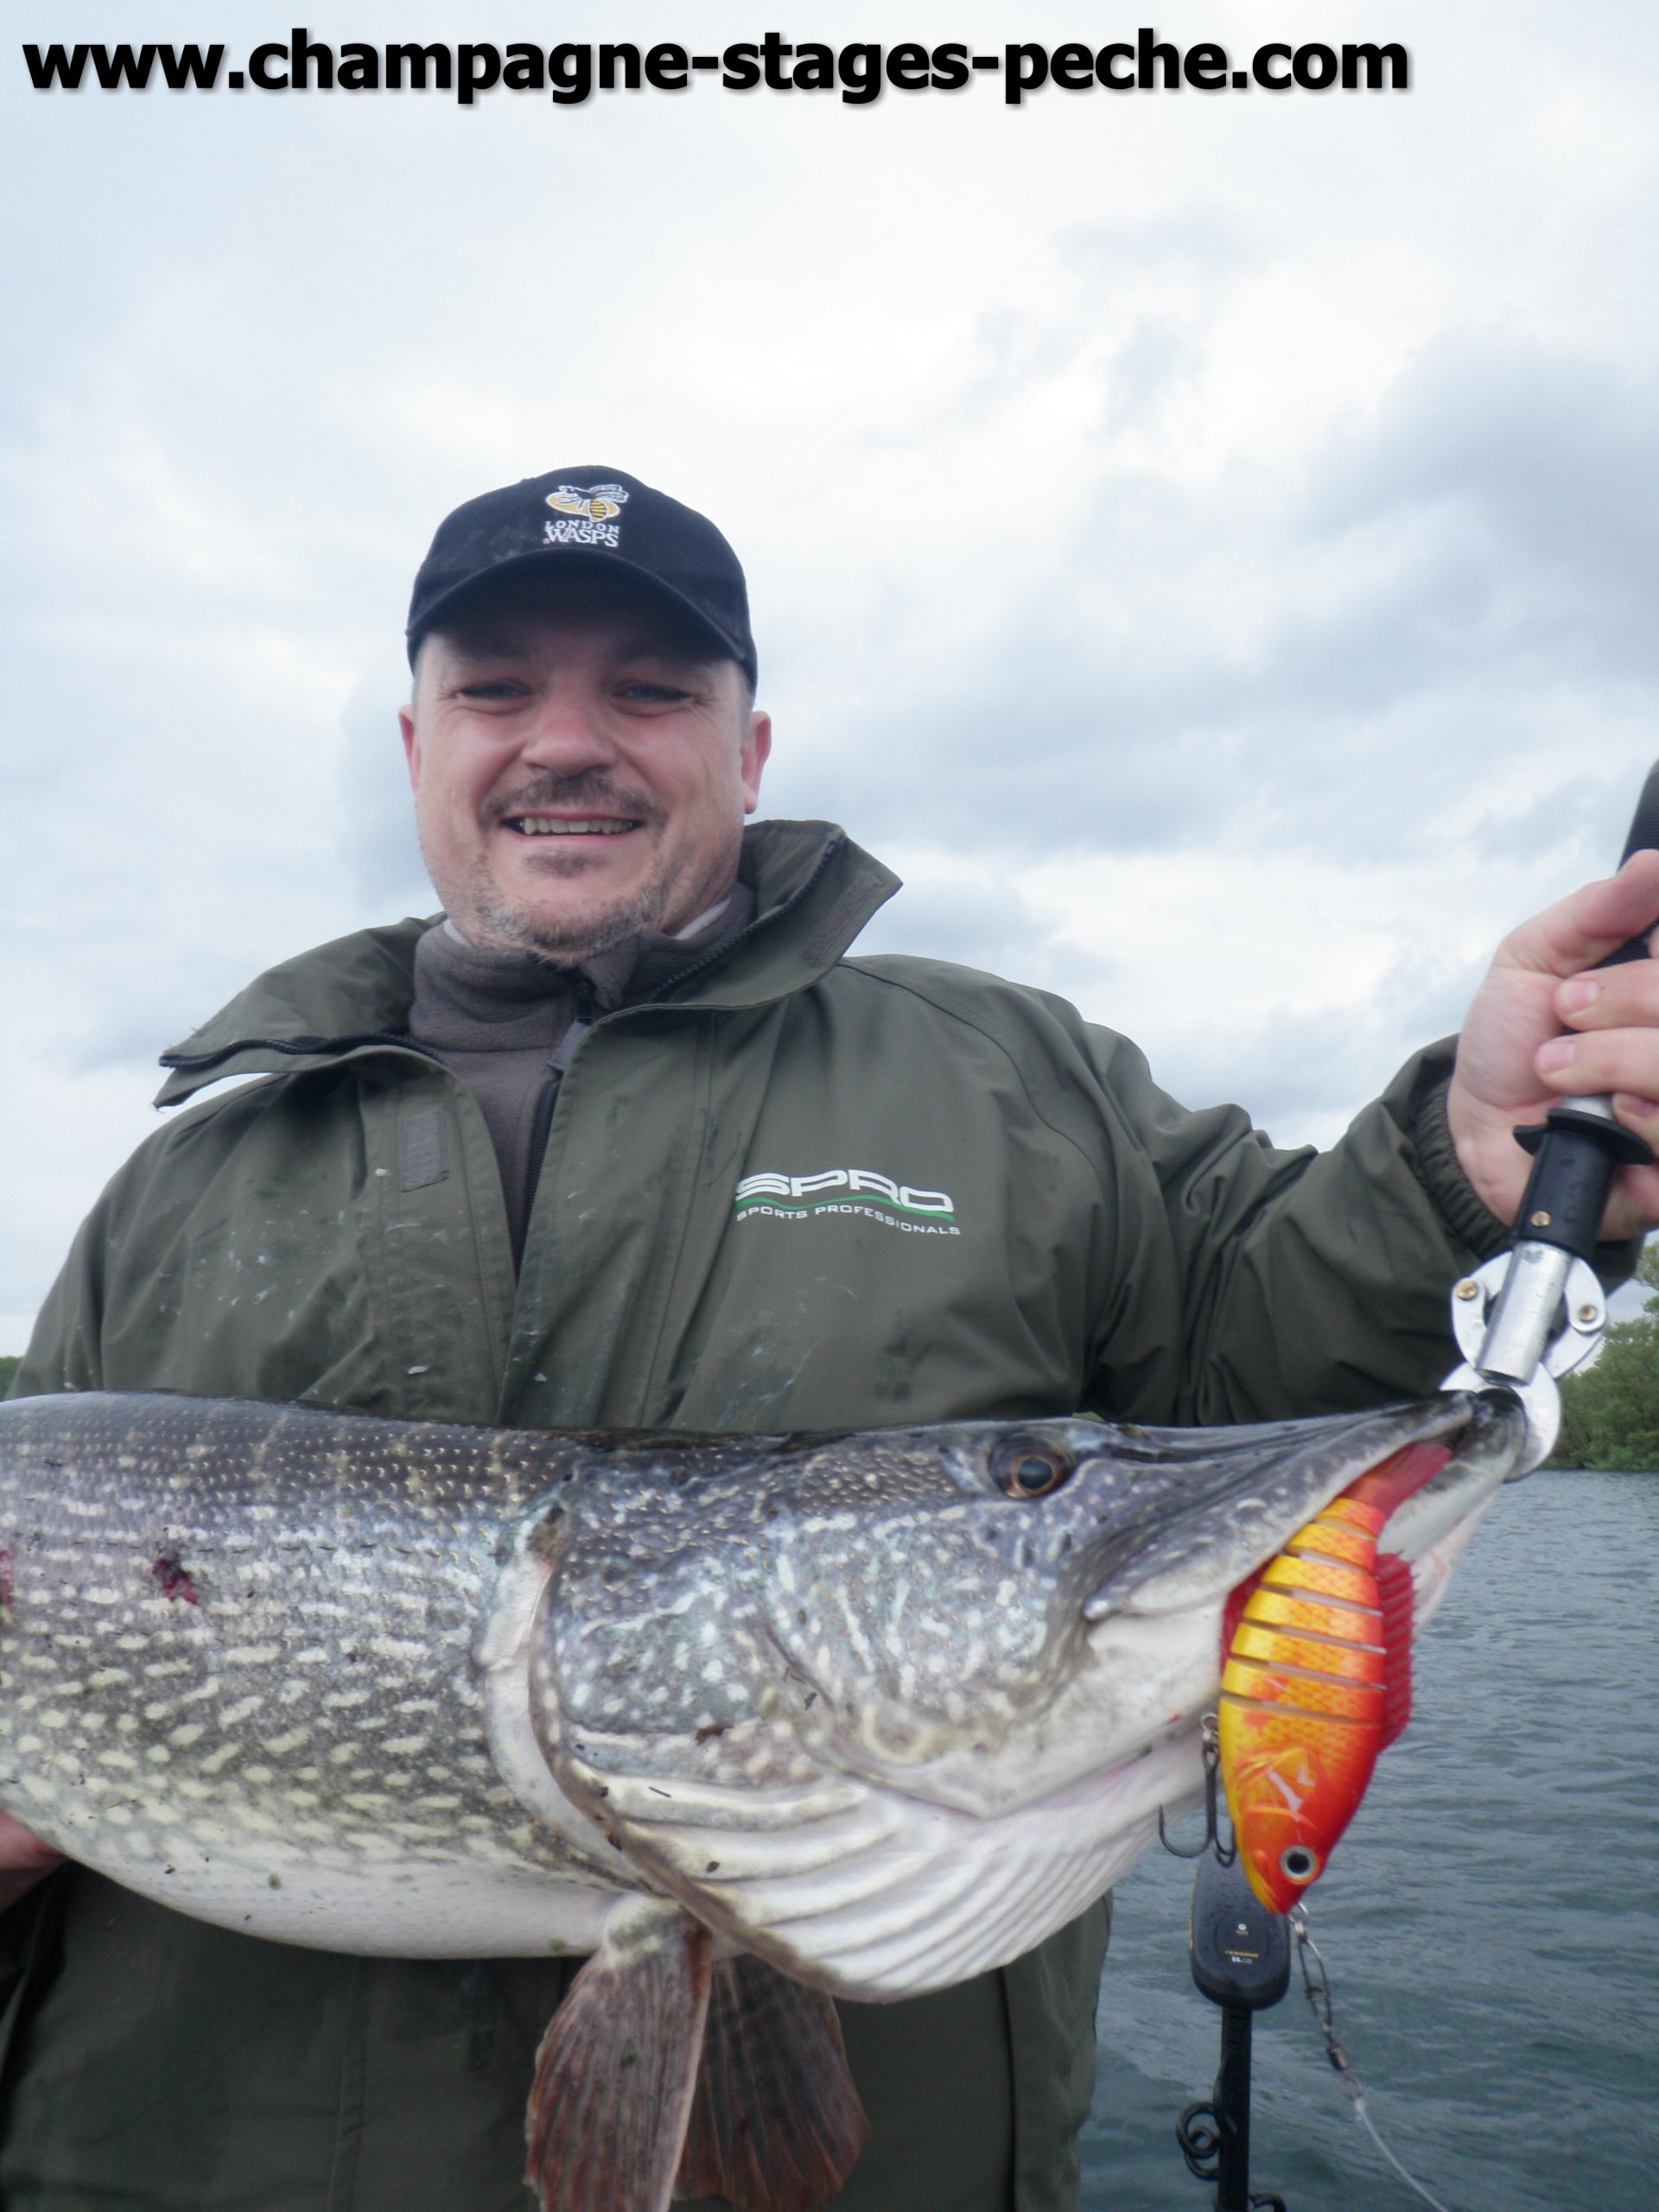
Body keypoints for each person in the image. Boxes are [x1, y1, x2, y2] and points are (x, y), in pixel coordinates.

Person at [5, 465, 1659, 2212]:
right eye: (498, 688)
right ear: (415, 738)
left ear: (754, 744)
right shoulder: (183, 1184)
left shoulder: (1011, 1086)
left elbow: (1267, 1349)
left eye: (650, 688)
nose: (568, 740)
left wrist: (1460, 1172)